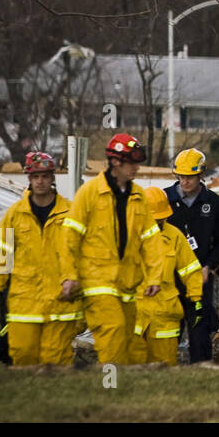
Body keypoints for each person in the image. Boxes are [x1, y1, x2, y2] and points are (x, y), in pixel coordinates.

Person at [58, 133, 163, 364]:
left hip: (127, 284)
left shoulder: (138, 196)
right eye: (131, 162)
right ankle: (111, 387)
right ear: (116, 161)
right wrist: (68, 276)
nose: (136, 167)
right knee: (113, 330)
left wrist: (155, 277)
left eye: (138, 162)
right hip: (96, 283)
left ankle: (116, 388)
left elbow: (151, 240)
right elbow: (69, 238)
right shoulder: (90, 193)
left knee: (126, 339)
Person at [0, 151, 83, 366]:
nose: (40, 181)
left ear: (52, 178)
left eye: (45, 176)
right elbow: (0, 258)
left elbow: (84, 255)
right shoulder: (14, 215)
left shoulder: (71, 212)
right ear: (29, 178)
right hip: (24, 307)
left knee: (57, 364)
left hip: (60, 306)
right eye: (36, 176)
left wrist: (78, 286)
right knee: (23, 360)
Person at [165, 148, 219, 364]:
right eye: (181, 176)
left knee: (199, 332)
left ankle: (201, 371)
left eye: (189, 177)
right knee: (167, 332)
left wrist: (208, 266)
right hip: (168, 281)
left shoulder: (214, 204)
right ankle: (161, 373)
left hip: (199, 282)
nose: (184, 181)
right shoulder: (163, 200)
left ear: (200, 175)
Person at [130, 187, 203, 366]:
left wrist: (196, 301)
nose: (158, 223)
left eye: (161, 219)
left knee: (165, 370)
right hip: (134, 314)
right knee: (131, 371)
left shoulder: (174, 236)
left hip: (164, 315)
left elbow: (191, 269)